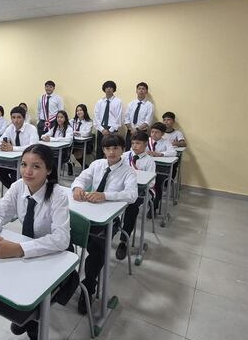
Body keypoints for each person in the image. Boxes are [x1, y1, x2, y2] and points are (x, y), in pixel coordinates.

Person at [0, 144, 73, 340]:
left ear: (49, 170)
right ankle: (25, 317)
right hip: (28, 251)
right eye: (23, 165)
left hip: (56, 256)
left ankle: (34, 330)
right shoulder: (18, 187)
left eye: (36, 166)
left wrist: (19, 249)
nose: (27, 171)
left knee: (32, 293)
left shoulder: (58, 195)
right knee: (4, 280)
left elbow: (61, 239)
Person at [71, 133, 137, 315]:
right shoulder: (97, 164)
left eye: (116, 148)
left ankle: (89, 286)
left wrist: (105, 196)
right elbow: (82, 178)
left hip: (110, 220)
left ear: (123, 150)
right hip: (88, 214)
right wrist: (77, 187)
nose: (112, 152)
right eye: (108, 148)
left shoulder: (128, 171)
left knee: (98, 249)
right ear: (103, 150)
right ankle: (66, 280)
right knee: (63, 235)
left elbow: (132, 195)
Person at [115, 130, 156, 260]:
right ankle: (110, 231)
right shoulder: (124, 156)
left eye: (138, 143)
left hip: (140, 192)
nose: (134, 146)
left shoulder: (149, 161)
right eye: (133, 143)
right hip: (121, 189)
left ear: (145, 144)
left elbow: (151, 182)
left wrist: (134, 179)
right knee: (110, 204)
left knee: (131, 208)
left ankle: (123, 241)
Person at [0, 106, 39, 189]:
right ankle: (14, 191)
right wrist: (1, 146)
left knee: (16, 174)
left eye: (19, 117)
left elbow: (33, 146)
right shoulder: (10, 128)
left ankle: (19, 191)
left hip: (29, 161)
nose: (16, 120)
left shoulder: (31, 129)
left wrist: (13, 148)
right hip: (15, 160)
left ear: (24, 118)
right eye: (13, 117)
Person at [147, 122, 177, 211]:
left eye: (157, 132)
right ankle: (148, 201)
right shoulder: (146, 141)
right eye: (152, 132)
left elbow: (173, 152)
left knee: (156, 185)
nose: (154, 134)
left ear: (163, 134)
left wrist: (160, 154)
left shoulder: (165, 142)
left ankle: (153, 206)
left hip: (160, 169)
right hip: (147, 168)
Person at [94, 80, 123, 160]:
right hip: (101, 129)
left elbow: (118, 117)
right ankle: (99, 166)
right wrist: (102, 129)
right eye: (107, 87)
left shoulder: (118, 101)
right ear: (104, 89)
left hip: (112, 129)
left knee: (111, 151)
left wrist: (110, 130)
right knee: (100, 150)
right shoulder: (100, 102)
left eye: (111, 87)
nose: (109, 89)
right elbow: (96, 116)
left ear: (114, 89)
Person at [41, 110, 73, 175]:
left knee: (53, 159)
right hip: (53, 150)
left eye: (61, 117)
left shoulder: (69, 128)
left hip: (63, 152)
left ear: (65, 119)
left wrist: (52, 139)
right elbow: (45, 135)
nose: (59, 119)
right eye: (58, 117)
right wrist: (44, 137)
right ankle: (46, 174)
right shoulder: (55, 127)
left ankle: (54, 176)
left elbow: (68, 139)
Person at [124, 82, 154, 147]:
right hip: (130, 132)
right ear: (136, 91)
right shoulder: (131, 104)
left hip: (142, 132)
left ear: (146, 91)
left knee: (141, 150)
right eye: (139, 89)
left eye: (143, 89)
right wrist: (131, 129)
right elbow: (126, 119)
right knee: (128, 150)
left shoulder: (149, 105)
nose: (141, 90)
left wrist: (136, 130)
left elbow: (148, 121)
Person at [71, 103, 93, 169]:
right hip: (73, 142)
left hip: (84, 143)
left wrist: (77, 132)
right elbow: (68, 130)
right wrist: (74, 132)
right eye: (77, 110)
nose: (79, 112)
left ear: (84, 111)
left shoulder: (89, 122)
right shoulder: (72, 121)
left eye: (81, 110)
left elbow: (87, 133)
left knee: (78, 152)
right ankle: (71, 165)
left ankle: (84, 167)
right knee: (67, 149)